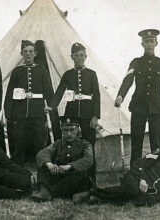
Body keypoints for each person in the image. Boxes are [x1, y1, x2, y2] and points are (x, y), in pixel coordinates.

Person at [74, 126, 160, 206]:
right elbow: (139, 163)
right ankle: (91, 192)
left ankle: (96, 199)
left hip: (152, 194)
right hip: (136, 178)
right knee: (132, 190)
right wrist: (142, 179)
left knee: (145, 202)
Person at [114, 29, 160, 164]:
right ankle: (135, 174)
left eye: (152, 42)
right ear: (142, 44)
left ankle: (156, 173)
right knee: (136, 142)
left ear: (156, 43)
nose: (149, 44)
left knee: (156, 144)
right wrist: (120, 95)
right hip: (138, 107)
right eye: (146, 42)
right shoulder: (136, 62)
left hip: (156, 108)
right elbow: (127, 80)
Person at [45, 42, 100, 182]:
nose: (79, 58)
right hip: (72, 115)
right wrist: (52, 106)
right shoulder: (68, 74)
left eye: (82, 55)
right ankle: (73, 177)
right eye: (76, 56)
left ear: (86, 56)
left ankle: (91, 179)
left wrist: (95, 116)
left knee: (89, 145)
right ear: (72, 57)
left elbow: (97, 96)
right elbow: (59, 93)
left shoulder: (92, 74)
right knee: (73, 145)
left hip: (88, 115)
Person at [4, 40, 54, 166]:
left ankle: (42, 170)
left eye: (30, 52)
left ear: (35, 53)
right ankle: (19, 172)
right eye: (25, 52)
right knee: (19, 143)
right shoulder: (17, 72)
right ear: (21, 54)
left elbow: (49, 93)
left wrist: (50, 107)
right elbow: (10, 93)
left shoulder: (42, 71)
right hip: (20, 113)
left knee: (39, 143)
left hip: (38, 113)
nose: (28, 54)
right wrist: (8, 112)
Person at [29, 116, 94, 202]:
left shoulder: (85, 144)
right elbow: (42, 154)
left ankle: (47, 191)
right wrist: (49, 164)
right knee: (42, 164)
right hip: (60, 176)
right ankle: (46, 191)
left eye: (72, 130)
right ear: (62, 131)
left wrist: (69, 166)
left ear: (78, 129)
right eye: (65, 130)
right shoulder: (58, 144)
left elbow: (88, 160)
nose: (69, 134)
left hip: (74, 179)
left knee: (81, 179)